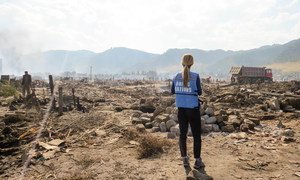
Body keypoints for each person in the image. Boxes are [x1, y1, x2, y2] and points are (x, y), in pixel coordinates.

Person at [171, 54, 205, 172]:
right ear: (192, 64)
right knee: (196, 135)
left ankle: (185, 159)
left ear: (182, 63)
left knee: (182, 134)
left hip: (181, 110)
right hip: (193, 109)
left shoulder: (176, 76)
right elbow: (199, 92)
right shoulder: (195, 76)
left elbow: (172, 91)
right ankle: (197, 160)